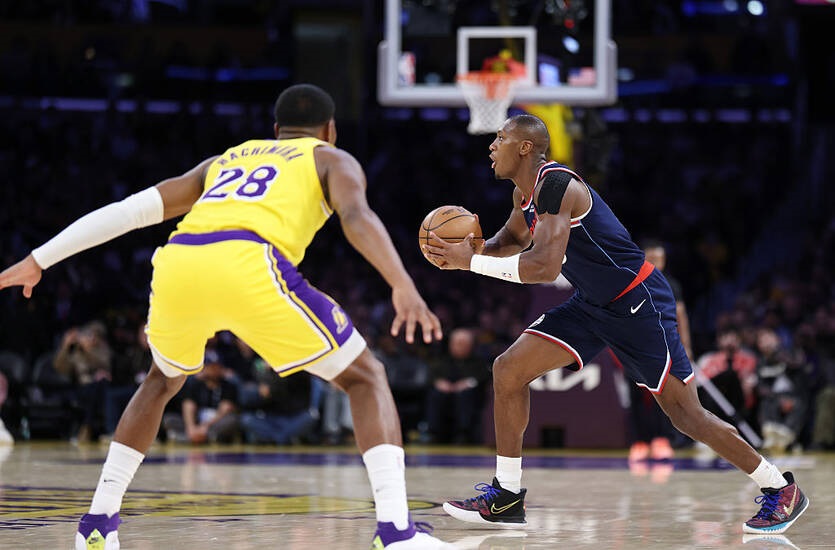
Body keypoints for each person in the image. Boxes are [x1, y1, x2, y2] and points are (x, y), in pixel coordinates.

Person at [0, 84, 451, 550]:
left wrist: (39, 259)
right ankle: (395, 531)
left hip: (179, 261)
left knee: (161, 380)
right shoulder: (330, 158)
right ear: (330, 130)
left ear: (275, 130)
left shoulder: (225, 160)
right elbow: (356, 217)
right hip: (249, 261)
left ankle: (98, 523)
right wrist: (401, 283)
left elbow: (130, 211)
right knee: (365, 377)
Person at [422, 114, 809, 535]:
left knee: (687, 416)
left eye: (500, 138)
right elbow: (512, 242)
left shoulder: (558, 185)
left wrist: (470, 263)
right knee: (508, 369)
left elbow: (543, 266)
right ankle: (507, 496)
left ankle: (780, 487)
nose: (492, 146)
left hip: (637, 302)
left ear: (525, 147)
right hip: (592, 304)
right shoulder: (523, 195)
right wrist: (473, 250)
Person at [626, 239, 693, 462]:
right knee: (636, 395)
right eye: (652, 258)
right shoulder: (630, 280)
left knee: (664, 393)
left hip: (663, 347)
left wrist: (686, 346)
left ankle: (662, 440)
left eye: (660, 259)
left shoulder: (671, 285)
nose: (657, 262)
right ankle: (640, 442)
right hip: (633, 346)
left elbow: (681, 316)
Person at [162, 350, 240, 444]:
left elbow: (225, 409)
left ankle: (191, 438)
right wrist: (191, 427)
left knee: (232, 420)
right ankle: (197, 437)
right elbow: (188, 406)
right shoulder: (195, 384)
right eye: (211, 366)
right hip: (196, 421)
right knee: (169, 419)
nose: (214, 370)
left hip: (214, 423)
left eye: (217, 366)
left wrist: (205, 427)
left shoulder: (228, 386)